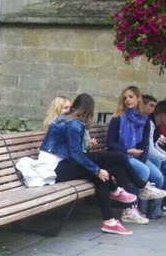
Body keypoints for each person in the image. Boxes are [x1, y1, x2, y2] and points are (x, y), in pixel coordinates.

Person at [39, 93, 133, 235]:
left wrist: (97, 170)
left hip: (63, 164)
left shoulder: (68, 122)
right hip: (52, 169)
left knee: (100, 175)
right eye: (66, 107)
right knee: (101, 165)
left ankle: (109, 221)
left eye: (70, 107)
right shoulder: (64, 122)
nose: (69, 110)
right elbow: (75, 153)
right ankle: (116, 191)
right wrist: (96, 170)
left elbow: (76, 150)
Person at [107, 86, 166, 223]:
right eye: (125, 98)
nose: (127, 100)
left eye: (131, 97)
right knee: (143, 171)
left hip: (137, 156)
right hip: (121, 155)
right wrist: (128, 151)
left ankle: (149, 212)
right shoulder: (118, 117)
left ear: (138, 98)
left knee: (158, 176)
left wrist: (141, 157)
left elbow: (145, 144)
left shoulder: (144, 119)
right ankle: (131, 210)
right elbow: (110, 143)